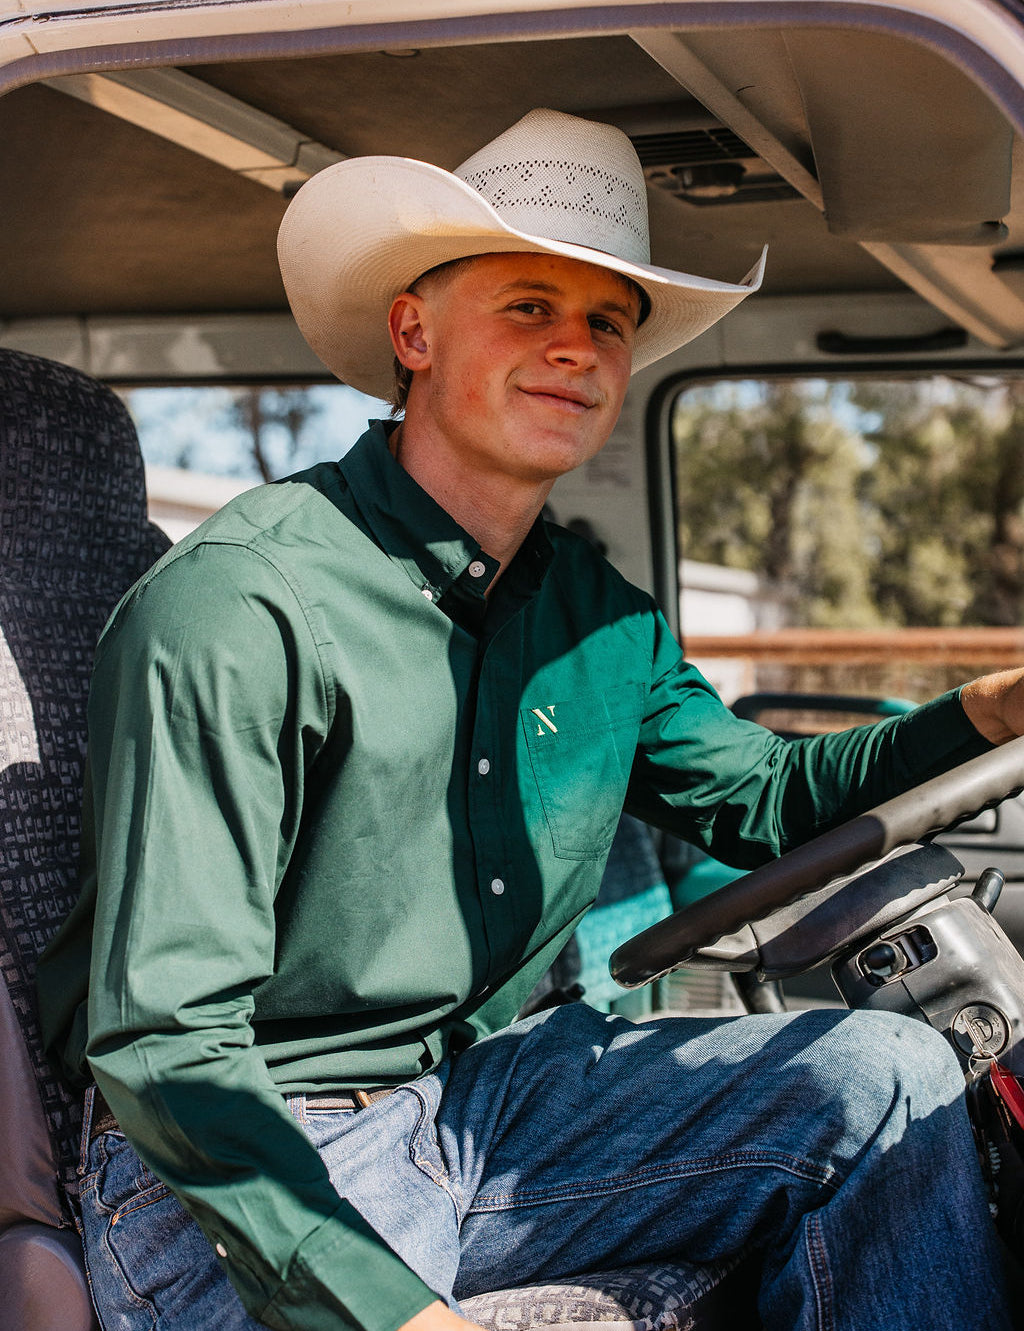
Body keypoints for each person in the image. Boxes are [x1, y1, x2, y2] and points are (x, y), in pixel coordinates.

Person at [39, 108, 1022, 1331]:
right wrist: (396, 1313)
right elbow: (169, 1045)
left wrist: (993, 705)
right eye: (527, 307)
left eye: (607, 321)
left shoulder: (597, 616)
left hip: (488, 1094)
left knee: (890, 1072)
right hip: (251, 1148)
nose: (576, 347)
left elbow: (763, 798)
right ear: (413, 329)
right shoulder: (242, 603)